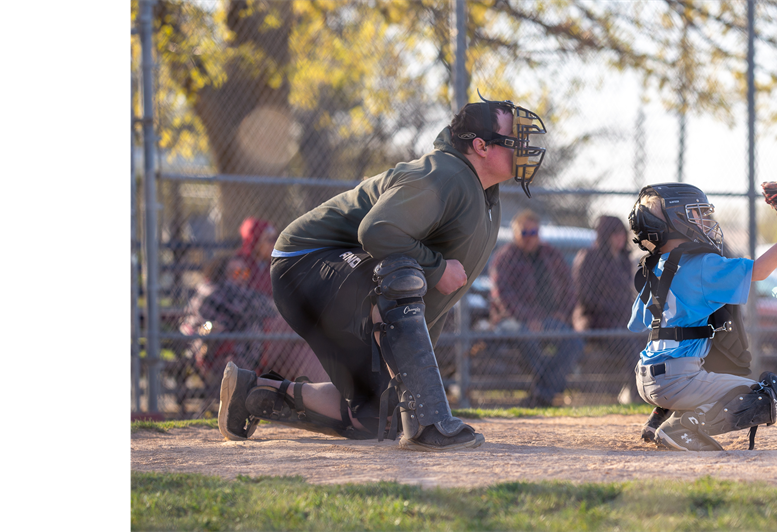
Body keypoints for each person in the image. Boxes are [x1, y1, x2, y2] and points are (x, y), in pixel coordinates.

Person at [217, 95, 549, 451]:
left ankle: (252, 392)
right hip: (307, 260)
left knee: (376, 416)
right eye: (514, 138)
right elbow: (377, 231)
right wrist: (436, 268)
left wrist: (410, 376)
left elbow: (425, 307)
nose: (524, 146)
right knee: (400, 272)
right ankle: (431, 422)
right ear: (481, 146)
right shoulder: (446, 173)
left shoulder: (486, 197)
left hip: (337, 279)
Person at [627, 182, 777, 451]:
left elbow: (637, 323)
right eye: (697, 213)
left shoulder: (652, 266)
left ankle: (660, 417)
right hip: (676, 380)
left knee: (701, 342)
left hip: (645, 377)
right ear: (678, 220)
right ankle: (682, 428)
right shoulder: (702, 264)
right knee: (767, 393)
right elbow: (760, 270)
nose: (706, 220)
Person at [489, 209, 584, 407]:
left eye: (534, 233)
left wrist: (563, 315)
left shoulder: (551, 255)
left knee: (573, 341)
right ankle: (546, 392)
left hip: (549, 319)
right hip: (512, 321)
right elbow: (502, 296)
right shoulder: (505, 257)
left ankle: (542, 393)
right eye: (525, 233)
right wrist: (528, 318)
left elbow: (569, 289)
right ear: (515, 234)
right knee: (526, 337)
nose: (530, 238)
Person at [235, 217, 330, 383]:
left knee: (304, 350)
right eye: (269, 239)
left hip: (279, 328)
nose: (274, 243)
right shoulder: (239, 267)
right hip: (255, 330)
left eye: (275, 238)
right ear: (254, 241)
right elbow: (240, 299)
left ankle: (313, 395)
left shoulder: (274, 265)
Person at [177, 251, 279, 394]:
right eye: (237, 273)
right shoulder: (211, 293)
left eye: (245, 273)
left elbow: (269, 308)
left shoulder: (243, 295)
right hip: (210, 351)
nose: (242, 278)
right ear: (223, 274)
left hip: (241, 350)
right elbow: (197, 324)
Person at [571, 215, 643, 403]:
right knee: (628, 343)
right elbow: (585, 297)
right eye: (615, 234)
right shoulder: (589, 257)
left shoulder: (623, 260)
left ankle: (640, 391)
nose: (620, 238)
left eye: (622, 234)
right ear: (605, 235)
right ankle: (636, 396)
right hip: (596, 322)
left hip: (621, 321)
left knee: (647, 338)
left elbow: (628, 295)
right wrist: (614, 309)